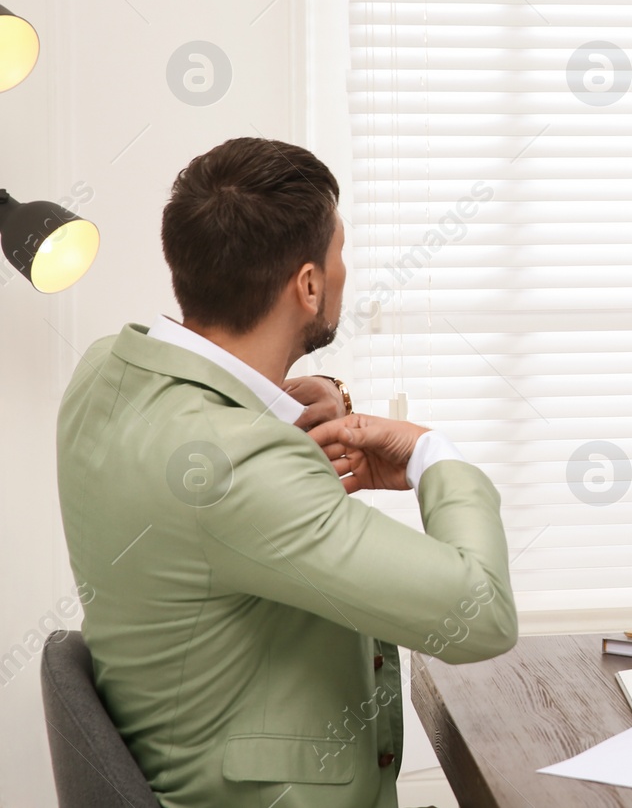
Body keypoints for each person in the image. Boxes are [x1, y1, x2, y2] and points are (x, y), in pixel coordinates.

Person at [56, 137, 516, 808]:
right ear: (307, 285)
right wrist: (430, 453)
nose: (344, 270)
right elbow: (482, 615)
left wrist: (291, 397)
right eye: (340, 255)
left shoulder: (104, 371)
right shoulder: (243, 466)